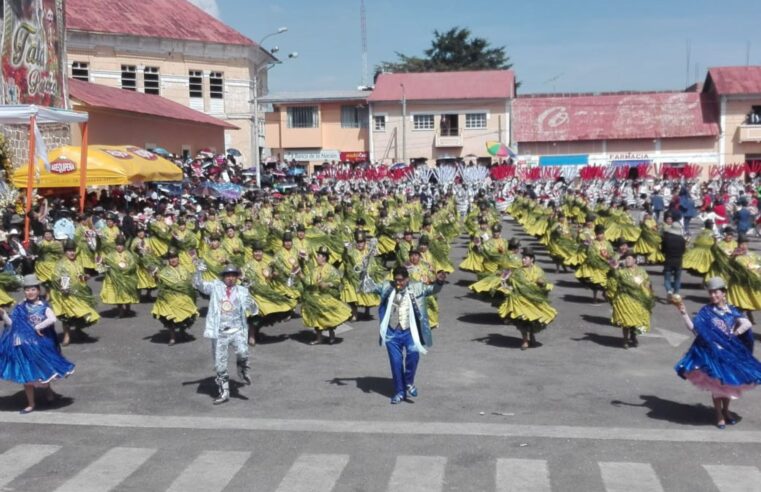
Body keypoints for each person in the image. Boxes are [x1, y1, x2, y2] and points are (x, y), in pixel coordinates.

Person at [674, 277, 761, 429]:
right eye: (711, 293)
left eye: (716, 292)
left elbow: (747, 323)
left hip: (729, 354)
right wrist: (683, 313)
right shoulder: (706, 312)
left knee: (728, 384)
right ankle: (719, 414)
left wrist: (735, 333)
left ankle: (726, 411)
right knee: (716, 386)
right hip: (712, 355)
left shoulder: (733, 310)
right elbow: (694, 329)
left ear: (723, 293)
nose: (713, 295)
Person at [364, 265, 446, 404]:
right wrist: (363, 273)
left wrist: (439, 282)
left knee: (414, 354)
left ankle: (408, 382)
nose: (398, 283)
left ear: (407, 279)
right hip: (392, 332)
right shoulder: (387, 287)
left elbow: (433, 290)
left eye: (401, 280)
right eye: (396, 280)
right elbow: (369, 286)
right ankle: (399, 392)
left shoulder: (417, 287)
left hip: (410, 331)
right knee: (396, 363)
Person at [0, 274, 74, 414]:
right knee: (27, 376)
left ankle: (48, 390)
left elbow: (52, 319)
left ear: (38, 290)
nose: (30, 292)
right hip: (22, 346)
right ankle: (31, 404)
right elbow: (12, 324)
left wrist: (37, 327)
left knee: (43, 372)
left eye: (33, 289)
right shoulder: (20, 307)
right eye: (27, 290)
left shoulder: (43, 307)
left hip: (39, 345)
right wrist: (3, 314)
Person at [194, 263, 257, 405]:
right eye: (228, 275)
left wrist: (251, 304)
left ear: (237, 278)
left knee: (243, 352)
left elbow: (252, 310)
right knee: (220, 364)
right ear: (223, 277)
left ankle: (242, 370)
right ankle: (224, 392)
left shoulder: (242, 291)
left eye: (233, 276)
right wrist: (198, 272)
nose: (230, 278)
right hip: (220, 331)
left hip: (237, 330)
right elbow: (199, 285)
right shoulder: (215, 287)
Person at [606, 252, 654, 348]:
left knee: (640, 321)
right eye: (626, 259)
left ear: (635, 260)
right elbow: (613, 278)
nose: (627, 261)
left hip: (639, 299)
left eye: (629, 258)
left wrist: (648, 290)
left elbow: (646, 282)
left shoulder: (641, 271)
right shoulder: (621, 271)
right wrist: (613, 269)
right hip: (625, 300)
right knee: (626, 322)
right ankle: (625, 340)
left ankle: (634, 335)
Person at [151, 249, 198, 346]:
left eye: (175, 257)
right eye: (171, 258)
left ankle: (182, 330)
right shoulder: (164, 271)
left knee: (187, 315)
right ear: (168, 260)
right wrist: (155, 276)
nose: (173, 260)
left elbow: (189, 281)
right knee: (171, 319)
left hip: (184, 297)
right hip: (171, 298)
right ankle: (172, 337)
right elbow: (160, 281)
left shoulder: (184, 269)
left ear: (178, 258)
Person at [661, 218, 686, 301]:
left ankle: (669, 290)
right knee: (677, 279)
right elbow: (683, 250)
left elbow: (663, 250)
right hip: (678, 260)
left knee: (667, 278)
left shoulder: (666, 238)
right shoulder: (682, 239)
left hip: (668, 260)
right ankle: (676, 294)